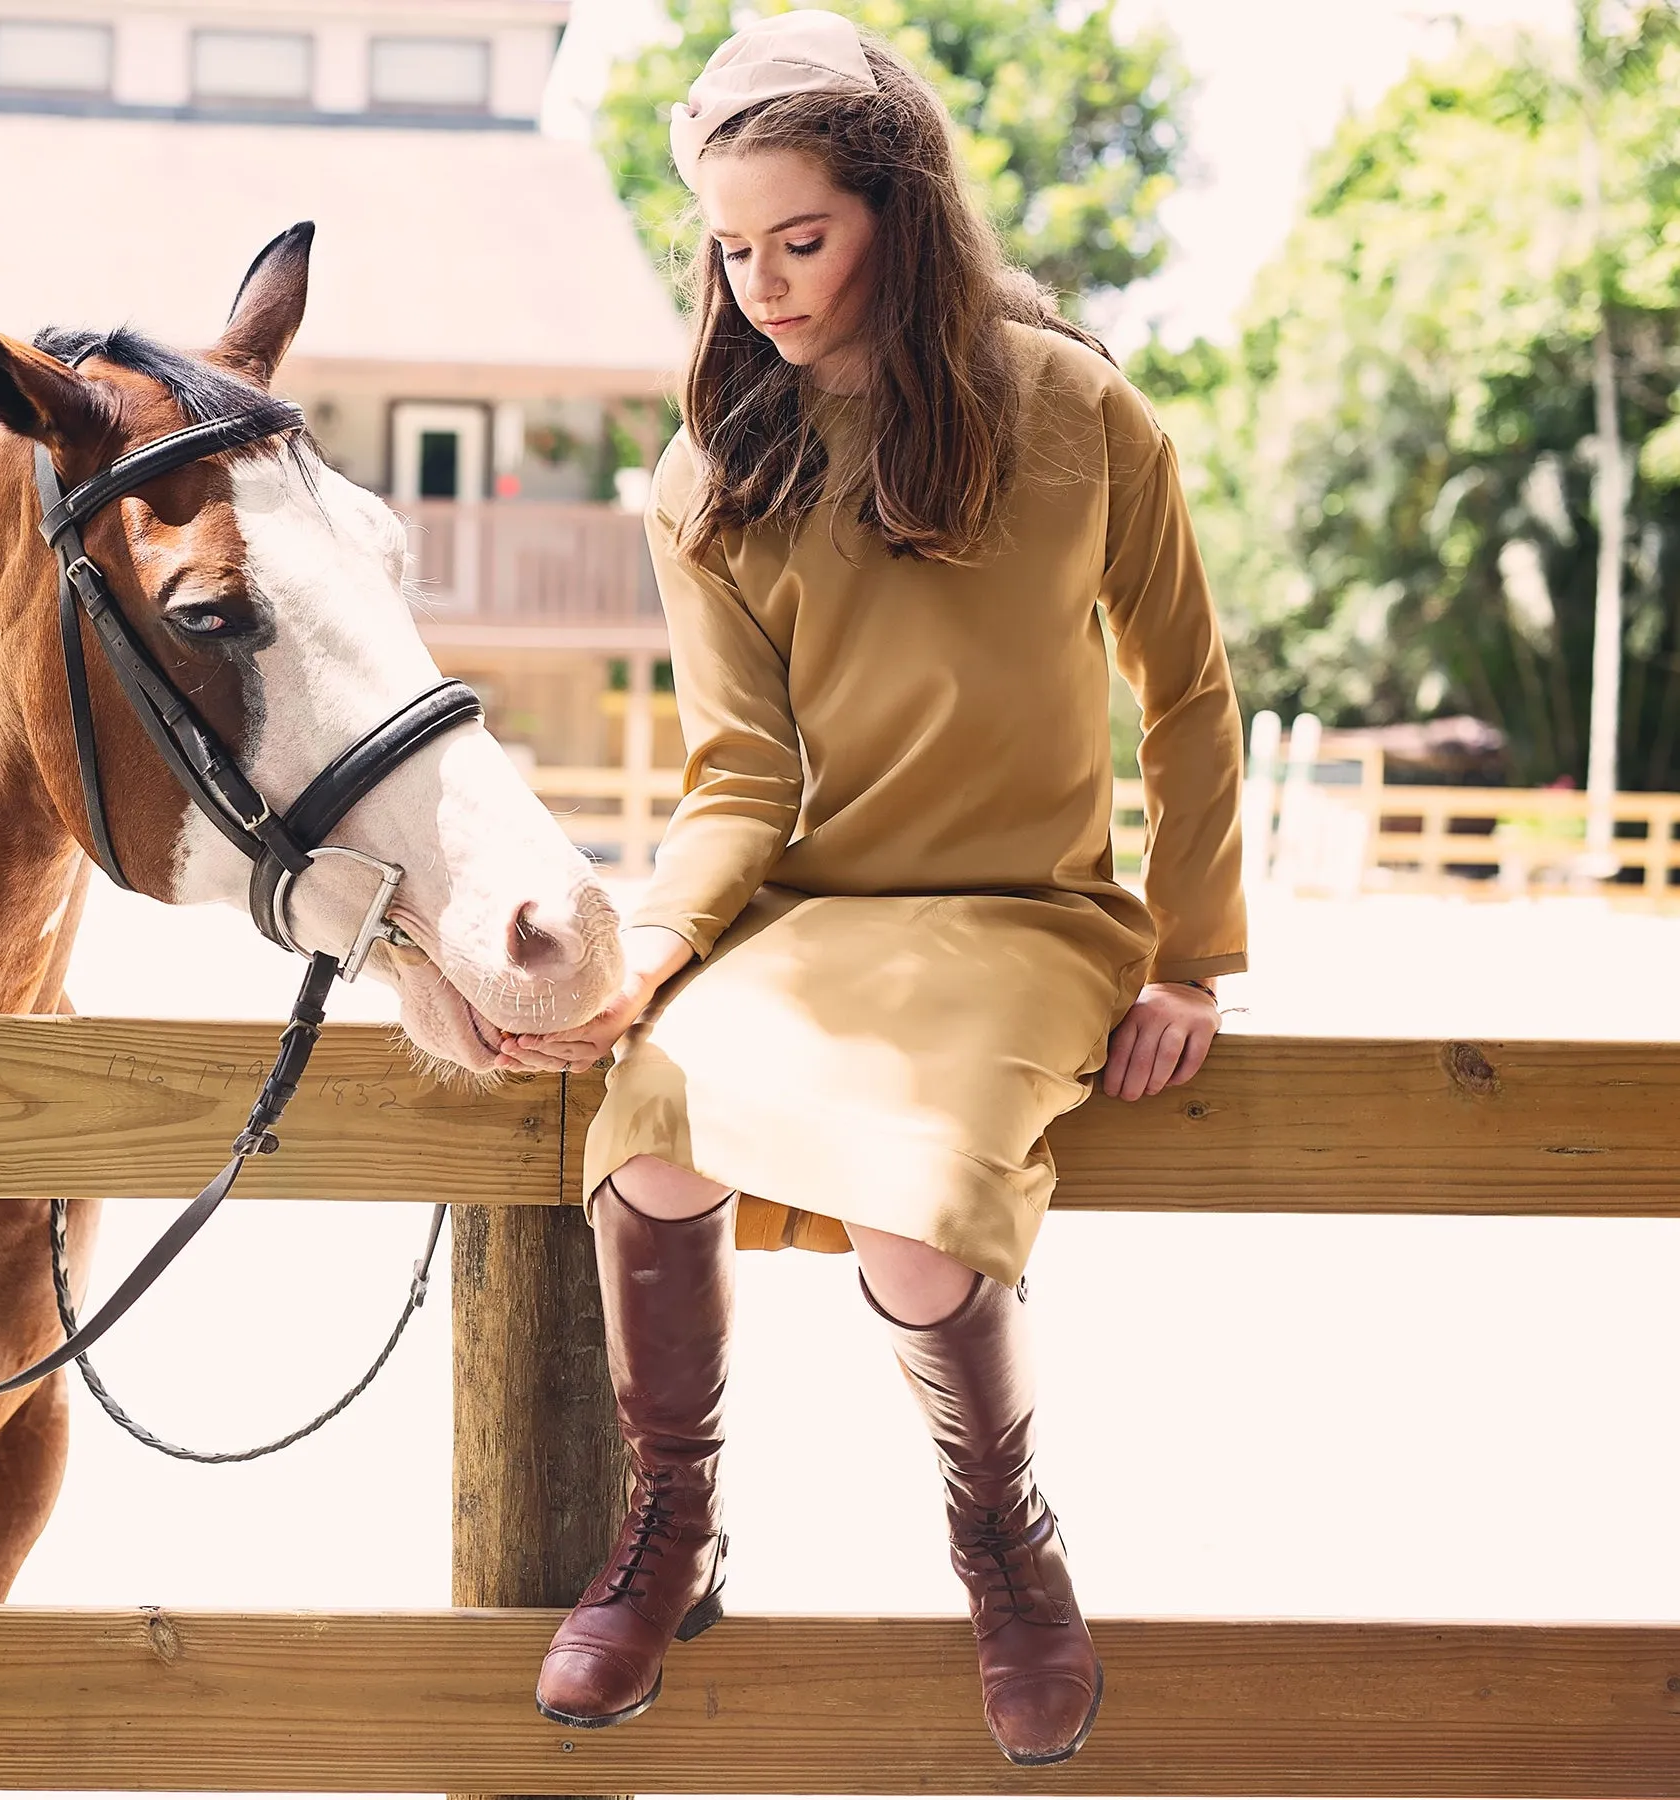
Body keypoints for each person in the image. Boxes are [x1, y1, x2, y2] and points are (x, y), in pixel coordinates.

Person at [488, 9, 1247, 1767]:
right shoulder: (708, 478)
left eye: (801, 239)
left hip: (1032, 919)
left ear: (899, 210)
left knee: (916, 1203)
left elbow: (1187, 693)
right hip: (815, 922)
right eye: (732, 247)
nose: (762, 281)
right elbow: (741, 776)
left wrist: (1193, 959)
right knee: (651, 1115)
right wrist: (656, 948)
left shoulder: (1077, 410)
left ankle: (1006, 1547)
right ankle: (672, 1528)